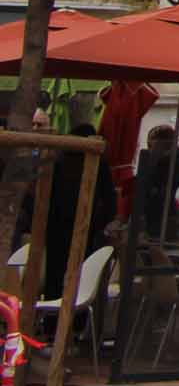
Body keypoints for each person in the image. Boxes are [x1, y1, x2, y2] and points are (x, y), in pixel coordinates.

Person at [41, 123, 119, 301]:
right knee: (78, 275)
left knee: (57, 273)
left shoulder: (60, 162)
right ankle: (73, 320)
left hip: (60, 227)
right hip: (81, 227)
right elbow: (109, 201)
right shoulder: (96, 165)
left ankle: (54, 318)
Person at [134, 125, 179, 242]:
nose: (150, 147)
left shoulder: (168, 165)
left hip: (158, 221)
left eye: (152, 144)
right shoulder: (174, 165)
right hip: (164, 218)